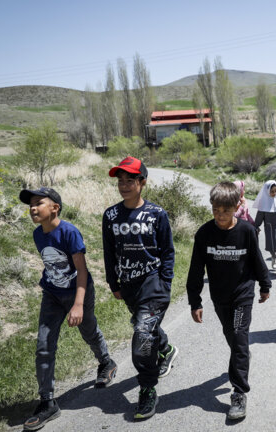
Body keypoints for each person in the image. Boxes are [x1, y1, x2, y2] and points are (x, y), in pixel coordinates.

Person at [20, 187, 116, 431]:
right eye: (30, 204)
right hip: (52, 293)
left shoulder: (69, 232)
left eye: (38, 202)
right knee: (44, 345)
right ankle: (47, 401)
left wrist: (78, 304)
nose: (33, 207)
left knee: (88, 330)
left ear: (55, 207)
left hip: (77, 291)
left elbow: (81, 270)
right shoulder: (37, 234)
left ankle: (106, 362)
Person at [187, 181, 271, 421]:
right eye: (215, 210)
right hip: (219, 296)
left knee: (238, 333)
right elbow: (195, 270)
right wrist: (195, 301)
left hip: (243, 294)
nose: (220, 215)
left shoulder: (246, 231)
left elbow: (256, 260)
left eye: (225, 210)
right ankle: (241, 353)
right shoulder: (204, 234)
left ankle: (239, 391)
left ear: (236, 206)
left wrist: (265, 285)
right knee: (234, 338)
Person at [102, 157, 178, 420]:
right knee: (143, 324)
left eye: (130, 180)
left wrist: (165, 282)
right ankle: (166, 349)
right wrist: (114, 283)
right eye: (120, 181)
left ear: (142, 182)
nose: (124, 185)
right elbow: (109, 253)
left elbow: (168, 251)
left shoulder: (157, 214)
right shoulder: (110, 215)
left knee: (142, 338)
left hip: (154, 285)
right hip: (129, 286)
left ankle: (147, 388)